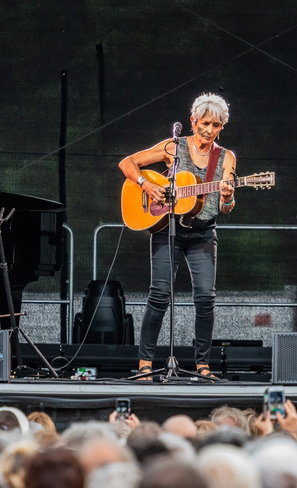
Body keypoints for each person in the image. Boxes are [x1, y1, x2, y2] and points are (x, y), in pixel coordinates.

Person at [119, 93, 237, 379]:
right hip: (167, 229)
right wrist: (146, 184)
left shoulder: (225, 158)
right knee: (159, 295)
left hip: (203, 233)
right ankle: (145, 364)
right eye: (205, 123)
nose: (209, 130)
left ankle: (203, 365)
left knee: (205, 298)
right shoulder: (174, 147)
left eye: (216, 126)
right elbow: (128, 164)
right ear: (192, 121)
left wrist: (229, 196)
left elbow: (226, 207)